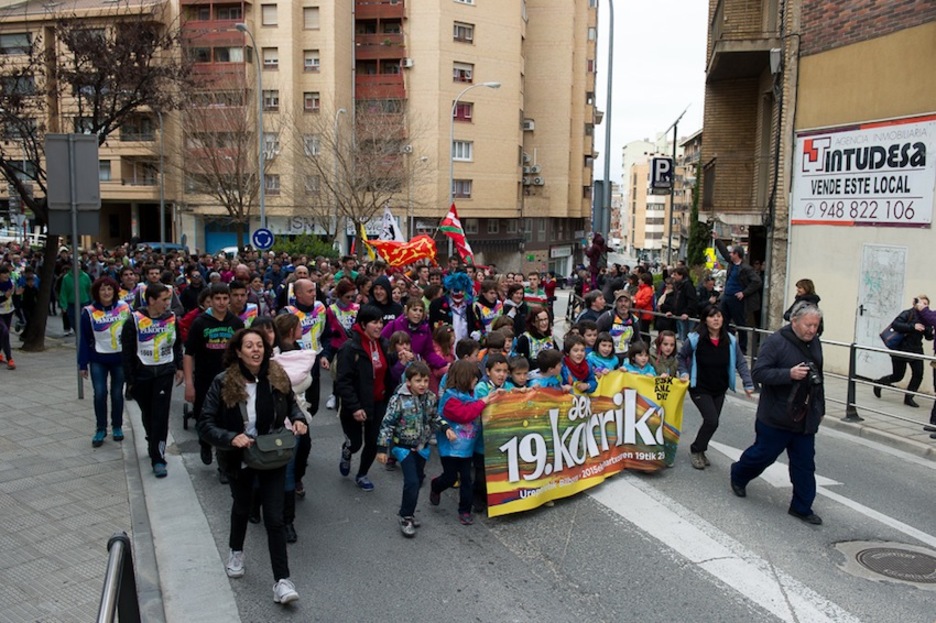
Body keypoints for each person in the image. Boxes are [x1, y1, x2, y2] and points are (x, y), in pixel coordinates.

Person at [196, 328, 307, 604]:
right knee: (243, 507)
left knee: (274, 517)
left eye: (260, 345)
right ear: (238, 351)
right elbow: (205, 424)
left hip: (271, 454)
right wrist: (231, 437)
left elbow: (292, 404)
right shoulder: (223, 382)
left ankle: (282, 581)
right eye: (249, 345)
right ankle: (236, 550)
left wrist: (297, 419)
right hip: (238, 458)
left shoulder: (276, 376)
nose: (256, 350)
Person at [730, 303, 826, 525]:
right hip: (776, 415)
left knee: (804, 464)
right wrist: (789, 374)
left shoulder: (815, 343)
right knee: (763, 455)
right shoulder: (776, 342)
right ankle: (739, 474)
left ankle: (802, 507)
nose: (812, 330)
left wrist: (821, 407)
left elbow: (818, 378)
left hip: (804, 417)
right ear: (794, 322)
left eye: (816, 325)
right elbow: (759, 373)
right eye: (808, 325)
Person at [377, 362, 453, 537]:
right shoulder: (398, 400)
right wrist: (382, 448)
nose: (422, 385)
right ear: (408, 381)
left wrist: (446, 428)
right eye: (418, 380)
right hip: (403, 447)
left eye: (425, 381)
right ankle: (405, 517)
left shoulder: (430, 398)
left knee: (418, 481)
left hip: (422, 447)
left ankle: (409, 511)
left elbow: (434, 417)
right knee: (411, 482)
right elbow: (387, 424)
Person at [677, 306, 754, 469]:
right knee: (712, 420)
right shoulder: (695, 338)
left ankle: (701, 449)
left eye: (719, 316)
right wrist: (684, 373)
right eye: (712, 317)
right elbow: (681, 357)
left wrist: (747, 383)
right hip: (699, 387)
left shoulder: (731, 340)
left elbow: (740, 362)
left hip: (719, 387)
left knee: (712, 422)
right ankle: (696, 449)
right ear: (705, 319)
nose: (716, 319)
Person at [121, 283, 184, 478]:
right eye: (164, 300)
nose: (168, 303)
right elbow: (127, 352)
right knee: (149, 414)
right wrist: (130, 380)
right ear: (151, 300)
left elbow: (177, 344)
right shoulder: (134, 320)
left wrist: (178, 367)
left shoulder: (172, 319)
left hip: (164, 373)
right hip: (142, 375)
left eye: (168, 299)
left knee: (160, 415)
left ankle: (158, 457)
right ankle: (152, 439)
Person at [185, 283, 244, 472]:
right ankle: (204, 443)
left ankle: (223, 464)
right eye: (217, 299)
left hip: (229, 379)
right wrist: (189, 383)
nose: (221, 302)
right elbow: (189, 354)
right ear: (210, 300)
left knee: (225, 420)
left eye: (225, 298)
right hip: (204, 378)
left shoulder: (235, 323)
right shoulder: (200, 322)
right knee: (204, 416)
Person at [430, 359, 498, 526]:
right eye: (474, 378)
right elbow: (465, 414)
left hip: (467, 448)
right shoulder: (450, 399)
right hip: (450, 448)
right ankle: (436, 486)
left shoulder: (471, 395)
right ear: (464, 377)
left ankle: (465, 510)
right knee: (450, 476)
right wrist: (483, 402)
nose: (476, 381)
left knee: (466, 479)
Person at [334, 305, 392, 492]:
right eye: (374, 322)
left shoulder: (383, 343)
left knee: (374, 441)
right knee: (356, 443)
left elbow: (388, 371)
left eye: (381, 322)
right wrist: (355, 407)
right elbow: (343, 382)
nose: (379, 326)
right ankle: (347, 451)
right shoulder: (350, 348)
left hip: (378, 402)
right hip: (356, 405)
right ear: (363, 324)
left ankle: (362, 474)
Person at [79, 276, 132, 446]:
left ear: (115, 291)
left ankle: (117, 426)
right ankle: (100, 428)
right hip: (98, 359)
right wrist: (82, 364)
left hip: (119, 359)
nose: (106, 292)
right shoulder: (88, 311)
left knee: (117, 394)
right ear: (96, 292)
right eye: (102, 289)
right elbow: (84, 339)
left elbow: (132, 335)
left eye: (109, 289)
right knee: (100, 393)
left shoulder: (125, 308)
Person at [873, 296, 932, 408]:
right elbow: (896, 325)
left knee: (918, 374)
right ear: (915, 304)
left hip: (916, 349)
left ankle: (909, 398)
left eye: (926, 304)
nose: (923, 305)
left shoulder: (926, 319)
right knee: (898, 376)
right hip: (901, 348)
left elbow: (928, 337)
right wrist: (913, 326)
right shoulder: (908, 313)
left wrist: (929, 331)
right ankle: (879, 382)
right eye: (922, 303)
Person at [715, 240, 762, 354]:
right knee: (723, 320)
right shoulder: (731, 264)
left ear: (737, 254)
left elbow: (757, 281)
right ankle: (725, 342)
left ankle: (742, 348)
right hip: (727, 296)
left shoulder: (746, 268)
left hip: (736, 298)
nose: (730, 254)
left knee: (740, 323)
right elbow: (725, 253)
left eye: (732, 253)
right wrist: (717, 240)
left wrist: (744, 293)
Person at [597, 291, 640, 366]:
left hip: (626, 358)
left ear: (630, 303)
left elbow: (637, 340)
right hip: (608, 357)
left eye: (626, 301)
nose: (623, 304)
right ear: (616, 303)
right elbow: (595, 332)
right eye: (620, 301)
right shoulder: (608, 316)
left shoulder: (634, 320)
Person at [515, 305, 558, 370]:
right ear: (533, 322)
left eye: (546, 319)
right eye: (540, 320)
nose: (544, 323)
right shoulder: (525, 338)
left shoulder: (550, 337)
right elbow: (521, 361)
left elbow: (557, 355)